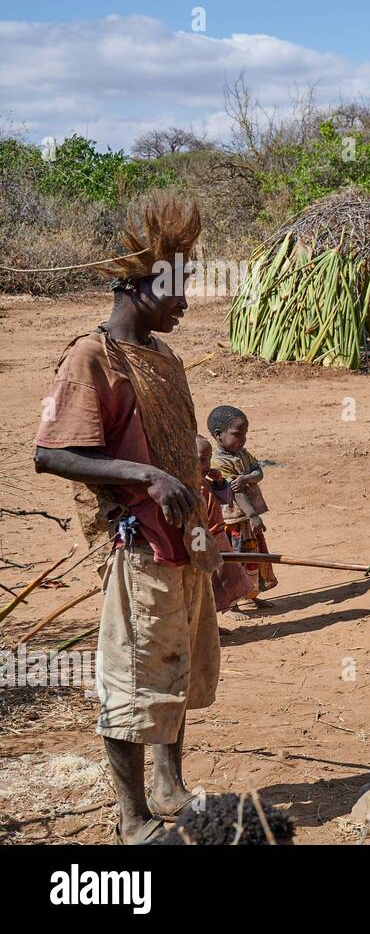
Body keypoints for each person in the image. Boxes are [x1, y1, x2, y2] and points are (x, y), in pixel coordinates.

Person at [33, 191, 220, 843]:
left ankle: (168, 787)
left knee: (175, 671)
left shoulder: (163, 358)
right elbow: (52, 454)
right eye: (177, 290)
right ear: (142, 289)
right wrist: (147, 475)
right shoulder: (93, 358)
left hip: (186, 547)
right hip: (140, 547)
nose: (186, 303)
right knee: (132, 682)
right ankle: (132, 815)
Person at [207, 405, 278, 614]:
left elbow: (258, 472)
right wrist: (253, 515)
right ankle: (234, 603)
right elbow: (236, 493)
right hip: (235, 522)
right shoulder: (218, 462)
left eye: (245, 434)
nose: (243, 439)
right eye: (238, 435)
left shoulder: (243, 454)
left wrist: (247, 477)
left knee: (254, 558)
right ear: (219, 436)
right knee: (237, 560)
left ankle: (252, 594)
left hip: (247, 521)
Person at [197, 435, 253, 615]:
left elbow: (226, 499)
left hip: (219, 536)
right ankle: (209, 623)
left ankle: (228, 609)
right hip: (201, 539)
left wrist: (220, 482)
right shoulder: (188, 486)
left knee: (226, 577)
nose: (206, 465)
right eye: (201, 460)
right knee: (205, 583)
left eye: (208, 458)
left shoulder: (206, 482)